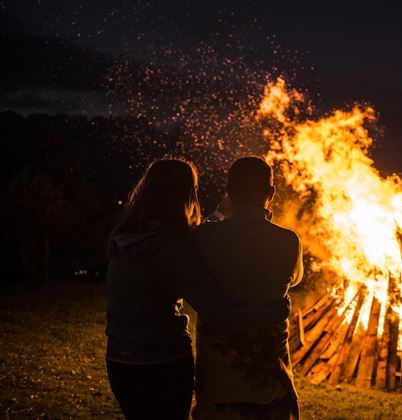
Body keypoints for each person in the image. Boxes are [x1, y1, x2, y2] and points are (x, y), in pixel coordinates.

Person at [105, 158, 289, 420]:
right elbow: (221, 316)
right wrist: (274, 311)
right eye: (193, 189)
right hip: (161, 362)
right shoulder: (172, 250)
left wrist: (219, 216)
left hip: (120, 362)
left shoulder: (123, 240)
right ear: (184, 195)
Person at [194, 156, 303, 419]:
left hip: (218, 382)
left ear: (228, 192)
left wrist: (219, 213)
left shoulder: (205, 236)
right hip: (268, 380)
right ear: (271, 193)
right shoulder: (287, 240)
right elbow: (296, 279)